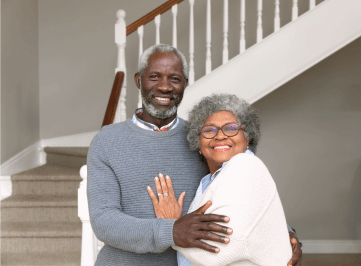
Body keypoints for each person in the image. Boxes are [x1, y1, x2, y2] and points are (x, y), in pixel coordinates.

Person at [87, 44, 302, 265]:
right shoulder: (107, 141)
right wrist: (171, 231)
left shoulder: (204, 139)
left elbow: (247, 193)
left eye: (175, 79)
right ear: (138, 80)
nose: (164, 87)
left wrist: (284, 236)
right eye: (154, 77)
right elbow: (104, 221)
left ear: (184, 84)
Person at [147, 94, 293, 265]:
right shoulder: (208, 182)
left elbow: (217, 252)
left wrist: (171, 226)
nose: (220, 136)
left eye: (231, 128)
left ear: (247, 138)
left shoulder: (245, 165)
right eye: (209, 130)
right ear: (198, 142)